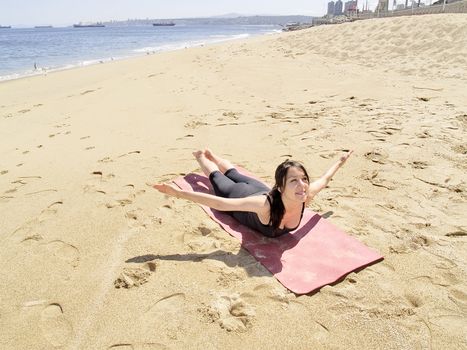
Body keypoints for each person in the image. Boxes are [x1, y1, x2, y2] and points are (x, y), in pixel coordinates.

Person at [153, 149, 353, 238]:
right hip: (237, 194)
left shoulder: (304, 197)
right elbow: (220, 204)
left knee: (234, 173)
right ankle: (201, 156)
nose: (302, 185)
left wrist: (341, 161)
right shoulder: (264, 205)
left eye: (304, 179)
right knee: (215, 176)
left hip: (256, 186)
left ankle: (213, 154)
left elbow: (324, 179)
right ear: (281, 187)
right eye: (294, 180)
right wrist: (178, 193)